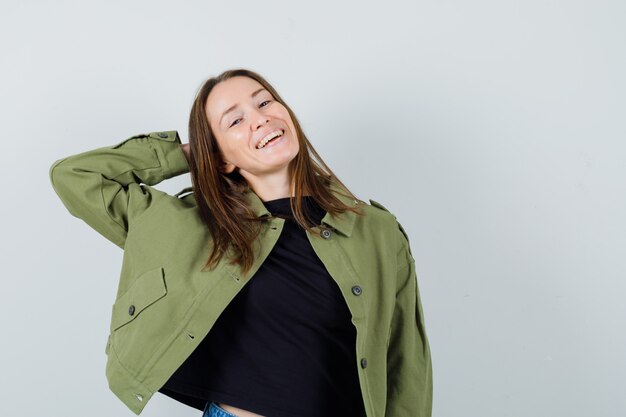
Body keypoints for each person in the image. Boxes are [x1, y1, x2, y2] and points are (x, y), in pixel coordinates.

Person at [48, 68, 432, 417]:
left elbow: (405, 363)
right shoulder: (186, 225)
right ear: (221, 156)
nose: (260, 117)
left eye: (264, 101)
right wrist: (192, 154)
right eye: (235, 120)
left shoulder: (377, 231)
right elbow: (75, 176)